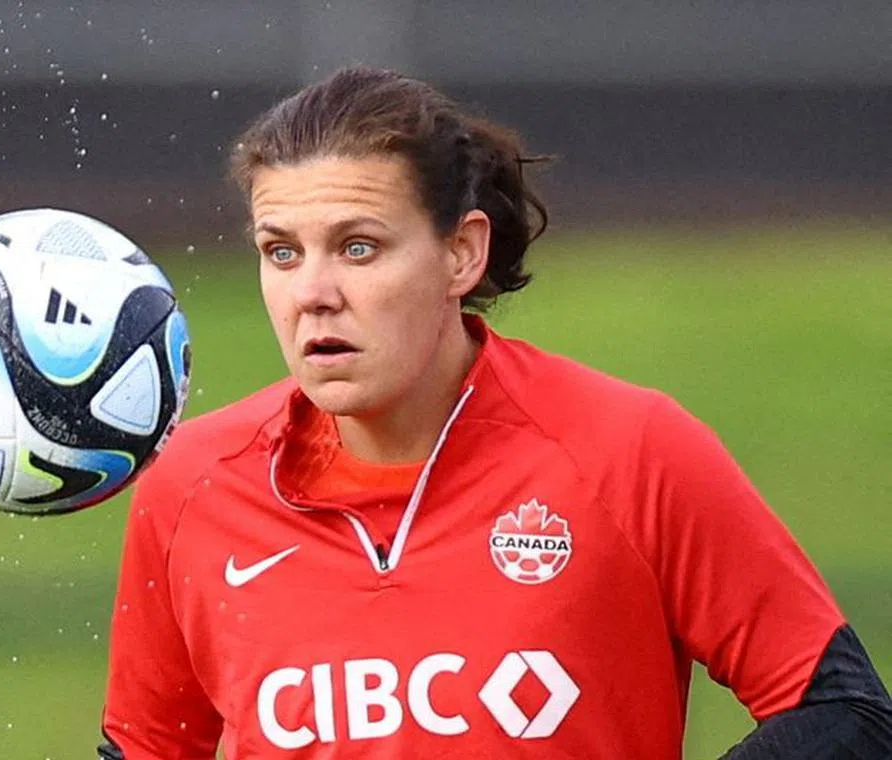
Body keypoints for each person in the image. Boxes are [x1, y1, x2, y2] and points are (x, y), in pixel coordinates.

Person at [97, 67, 891, 759]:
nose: (312, 293)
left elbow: (846, 717)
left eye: (359, 247)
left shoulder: (630, 451)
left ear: (461, 253)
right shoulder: (191, 486)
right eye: (282, 251)